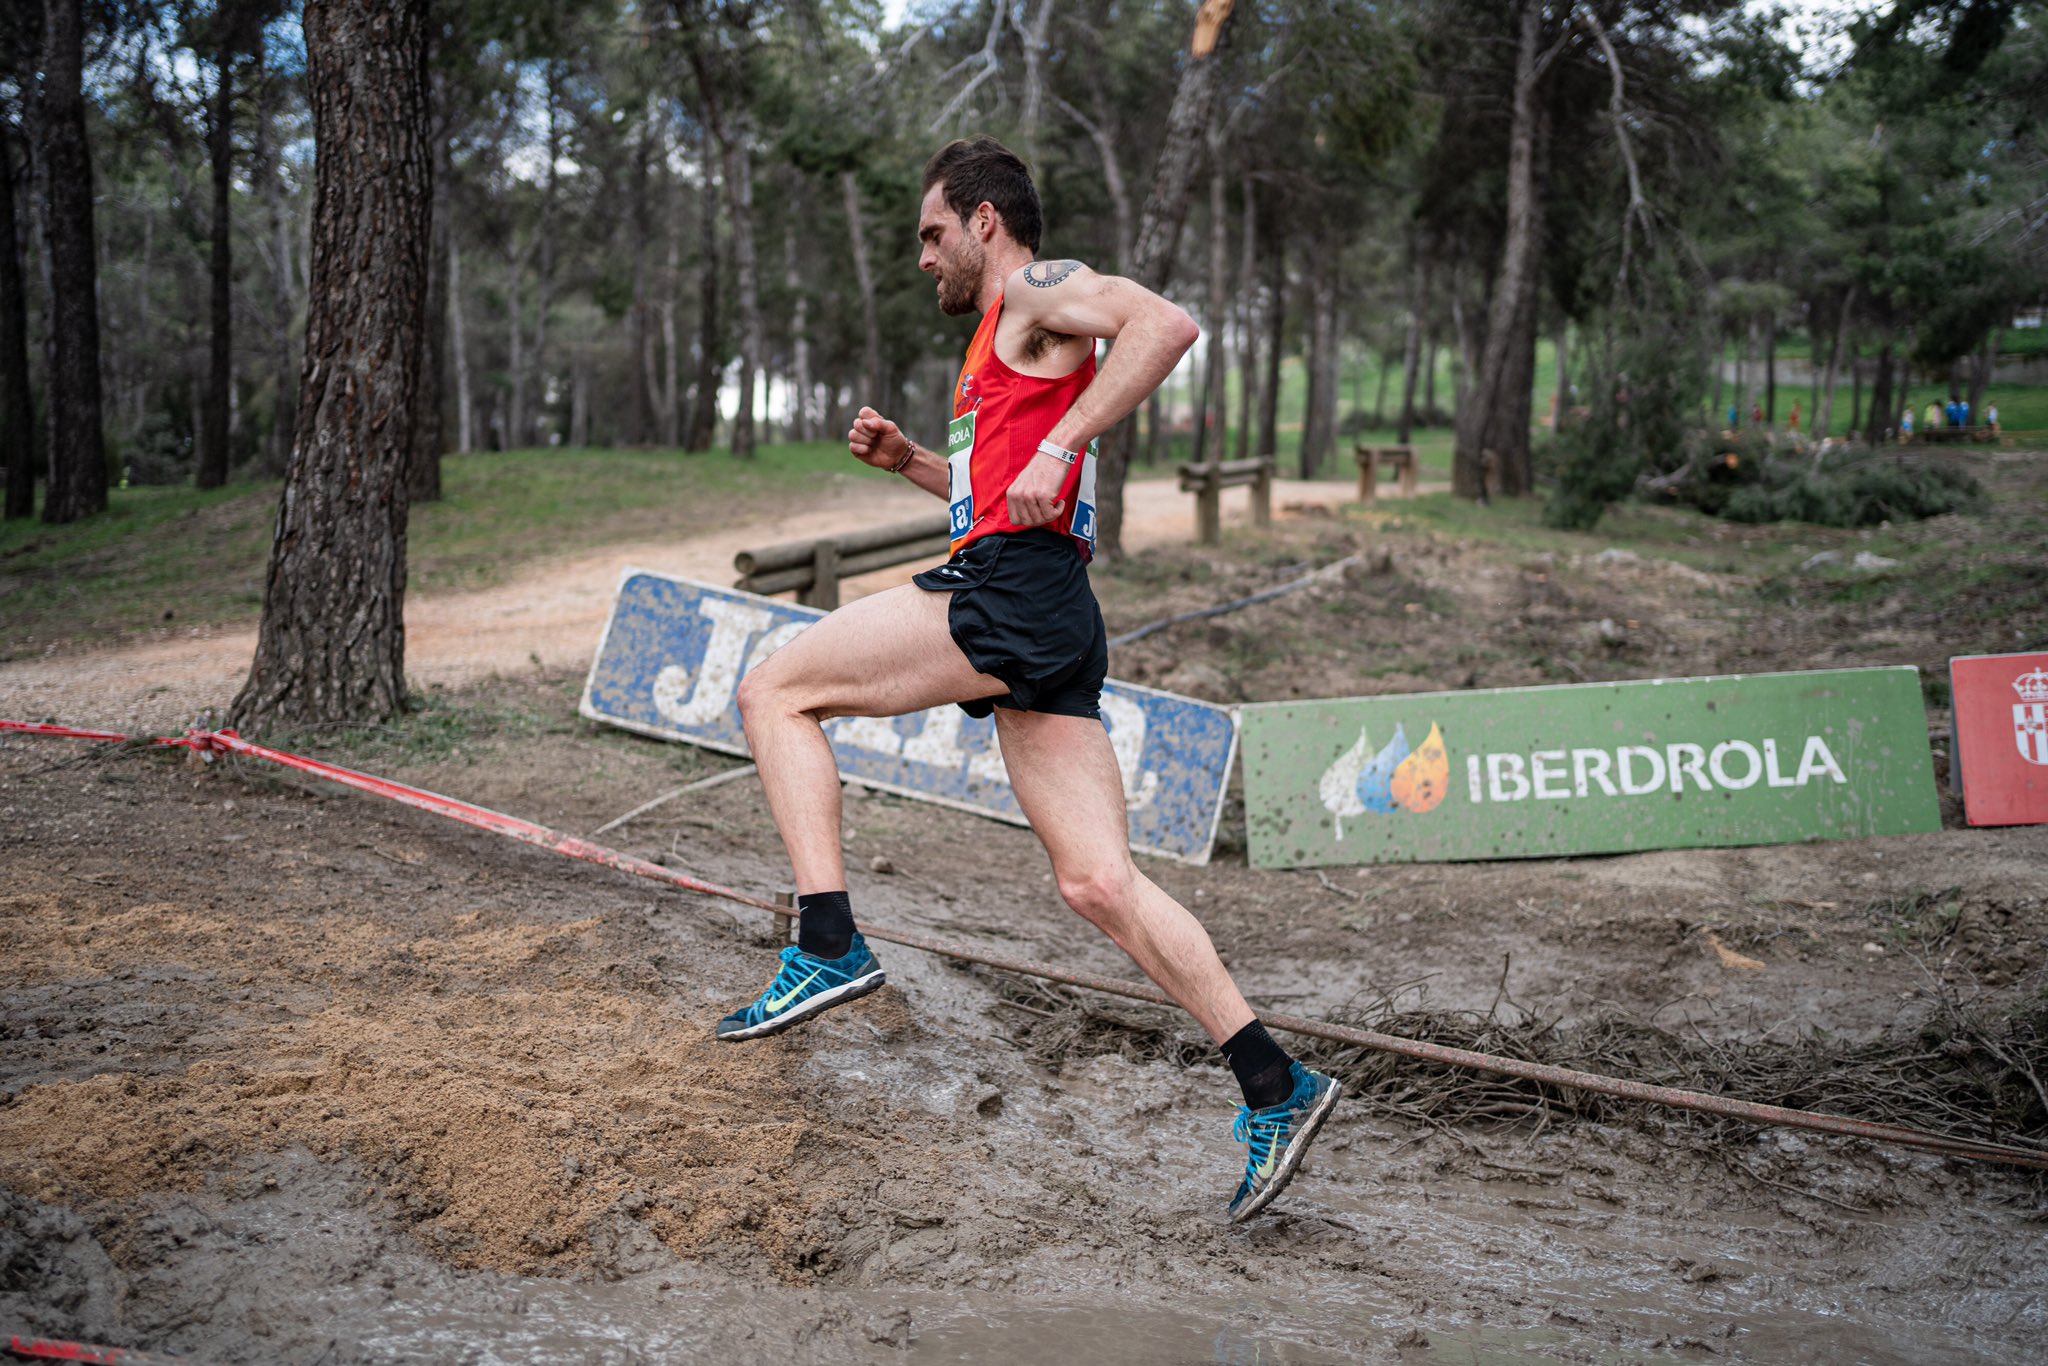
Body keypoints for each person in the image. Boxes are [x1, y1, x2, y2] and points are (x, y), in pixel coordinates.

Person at [716, 136, 1341, 1223]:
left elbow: (1168, 325)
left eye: (931, 233)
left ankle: (826, 943)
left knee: (774, 689)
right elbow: (1006, 488)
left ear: (986, 222)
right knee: (1096, 883)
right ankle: (1274, 1084)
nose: (923, 258)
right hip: (1049, 604)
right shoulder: (1002, 345)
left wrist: (1070, 441)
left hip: (1007, 594)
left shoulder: (1037, 290)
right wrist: (917, 463)